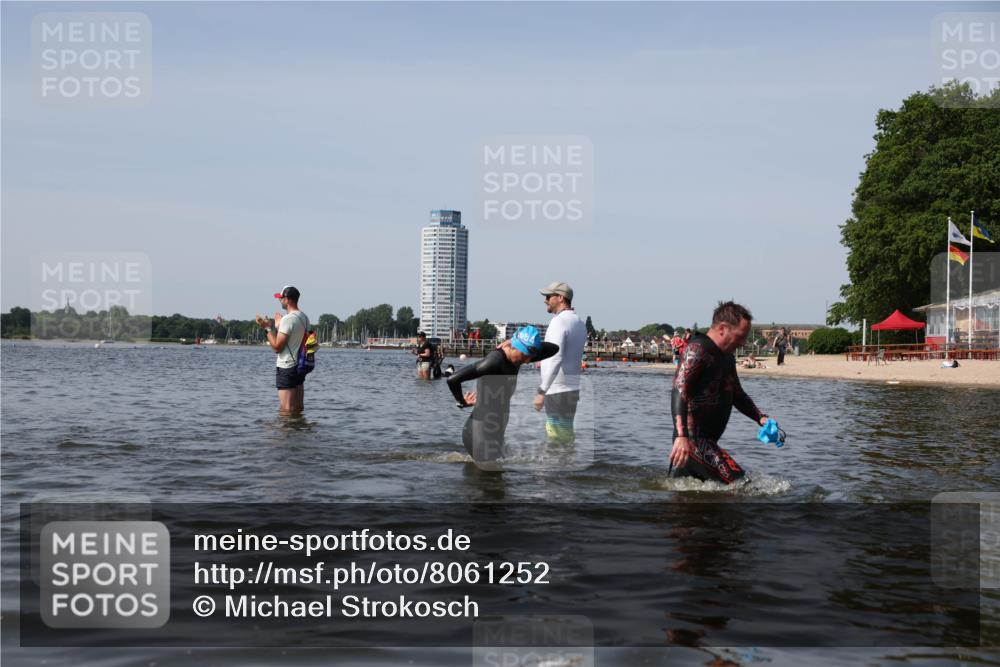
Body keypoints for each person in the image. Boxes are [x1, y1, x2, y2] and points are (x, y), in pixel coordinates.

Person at [670, 301, 775, 484]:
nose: (743, 343)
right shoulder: (697, 350)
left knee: (686, 501)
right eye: (740, 336)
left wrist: (760, 418)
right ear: (722, 328)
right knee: (741, 486)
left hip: (706, 442)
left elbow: (736, 393)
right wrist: (681, 436)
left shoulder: (726, 357)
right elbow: (680, 391)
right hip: (693, 441)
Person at [447, 326, 558, 463]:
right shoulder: (494, 361)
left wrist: (513, 340)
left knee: (497, 480)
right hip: (479, 434)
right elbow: (452, 379)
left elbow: (554, 349)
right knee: (487, 481)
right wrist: (461, 402)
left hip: (495, 433)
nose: (528, 361)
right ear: (515, 347)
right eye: (525, 355)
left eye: (531, 356)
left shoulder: (519, 357)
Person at [533, 282, 588, 444]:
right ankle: (567, 466)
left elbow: (556, 357)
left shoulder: (559, 322)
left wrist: (542, 391)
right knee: (566, 434)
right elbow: (568, 353)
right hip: (572, 388)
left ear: (561, 298)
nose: (545, 300)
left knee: (556, 436)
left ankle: (556, 468)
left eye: (549, 297)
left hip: (557, 389)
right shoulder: (579, 322)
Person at [255, 285, 310, 415]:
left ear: (287, 299)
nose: (279, 300)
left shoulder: (288, 319)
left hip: (287, 367)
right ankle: (298, 433)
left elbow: (277, 347)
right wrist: (279, 326)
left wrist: (267, 328)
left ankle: (285, 434)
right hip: (300, 366)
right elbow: (294, 339)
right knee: (298, 408)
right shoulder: (304, 317)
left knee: (286, 410)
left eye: (281, 298)